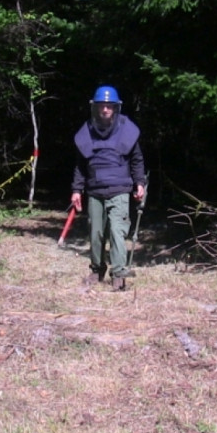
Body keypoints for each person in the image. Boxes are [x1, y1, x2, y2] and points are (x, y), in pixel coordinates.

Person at [71, 85, 146, 286]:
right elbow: (80, 165)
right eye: (101, 106)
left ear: (115, 108)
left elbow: (137, 159)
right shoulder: (86, 132)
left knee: (116, 231)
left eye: (109, 106)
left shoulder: (127, 130)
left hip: (119, 190)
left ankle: (119, 274)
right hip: (95, 191)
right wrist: (76, 190)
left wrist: (140, 183)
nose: (105, 109)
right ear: (95, 108)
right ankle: (97, 270)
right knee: (95, 233)